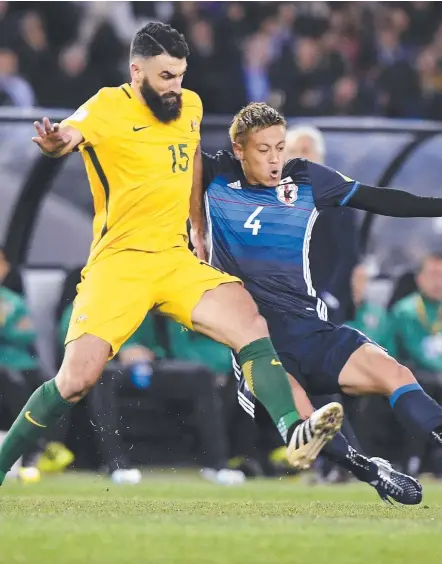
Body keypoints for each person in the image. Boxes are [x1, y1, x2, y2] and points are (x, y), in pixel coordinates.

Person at [0, 23, 342, 487]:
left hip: (173, 258)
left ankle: (294, 432)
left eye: (180, 75)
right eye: (165, 77)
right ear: (135, 70)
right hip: (119, 263)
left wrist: (198, 230)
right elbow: (70, 132)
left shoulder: (191, 107)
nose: (175, 87)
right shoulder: (106, 105)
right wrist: (57, 143)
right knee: (75, 381)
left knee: (250, 323)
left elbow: (193, 161)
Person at [190, 102, 442, 504]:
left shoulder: (307, 179)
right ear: (239, 150)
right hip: (259, 344)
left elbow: (381, 200)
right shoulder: (212, 174)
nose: (275, 159)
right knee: (308, 426)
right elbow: (156, 154)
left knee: (394, 373)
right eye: (263, 149)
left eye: (280, 147)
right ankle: (369, 470)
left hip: (313, 330)